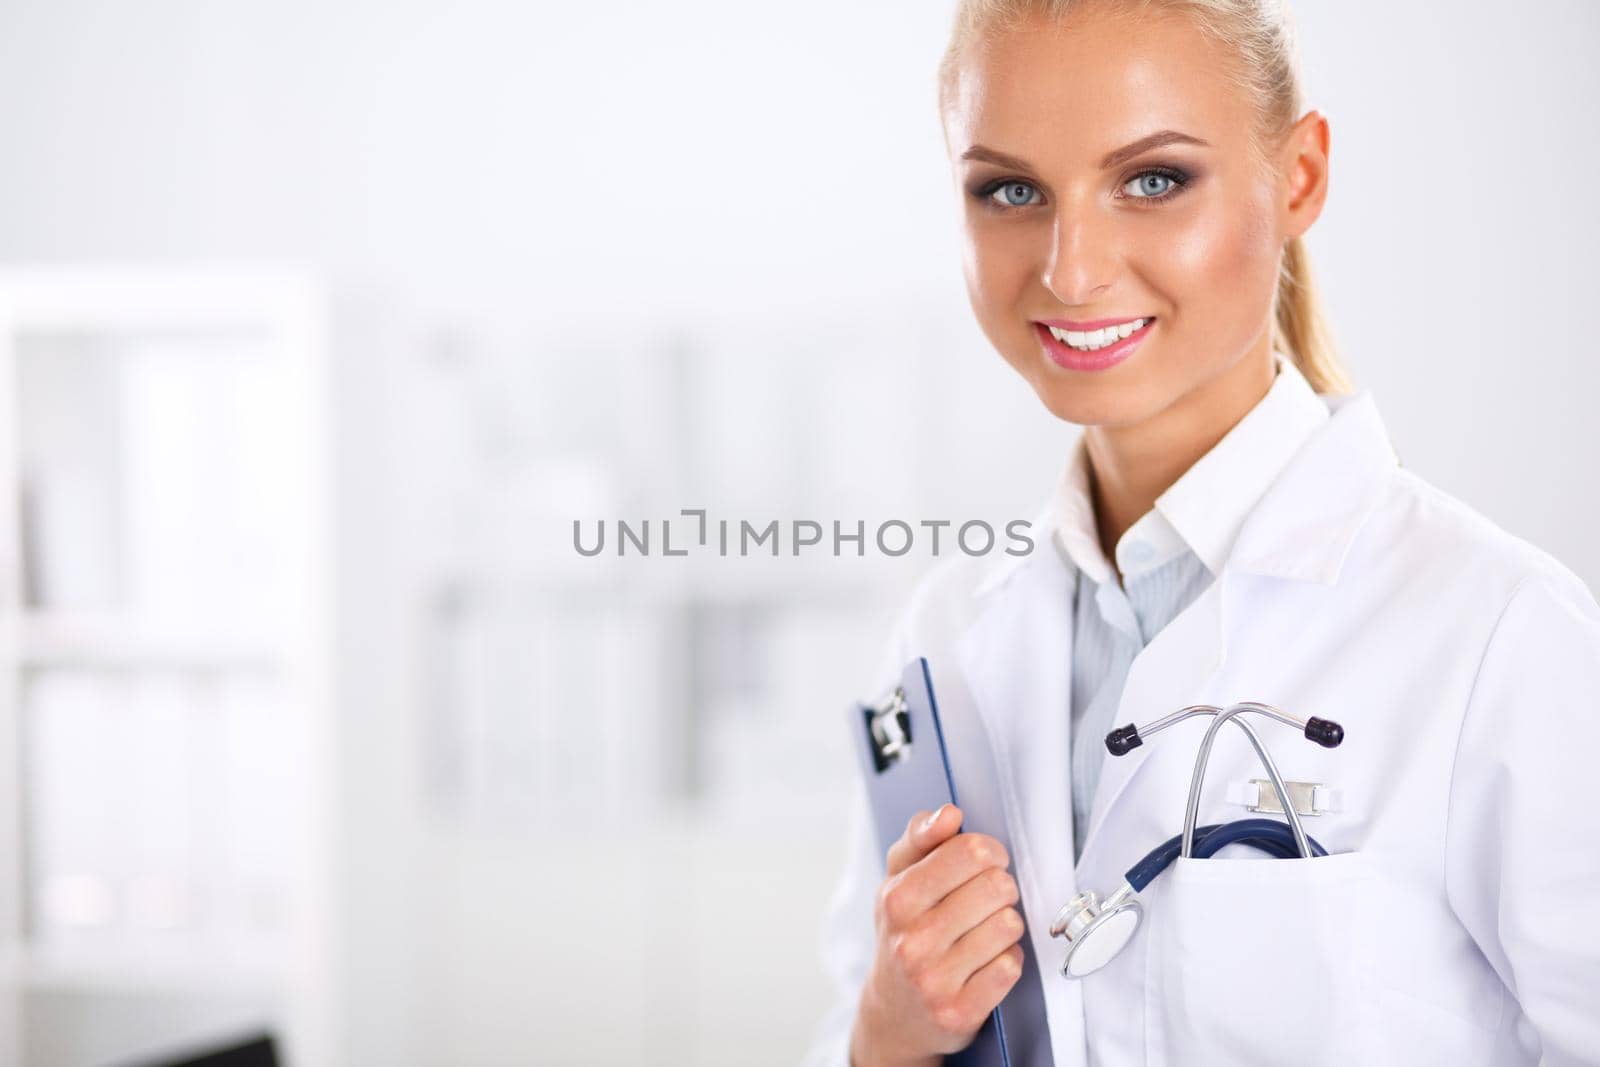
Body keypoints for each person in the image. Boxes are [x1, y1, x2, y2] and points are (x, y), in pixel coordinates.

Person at [803, 2, 1600, 1065]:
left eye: (1151, 179)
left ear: (1299, 177)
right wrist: (888, 1034)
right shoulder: (946, 636)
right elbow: (849, 1027)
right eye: (1010, 190)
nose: (1070, 268)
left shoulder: (1502, 637)